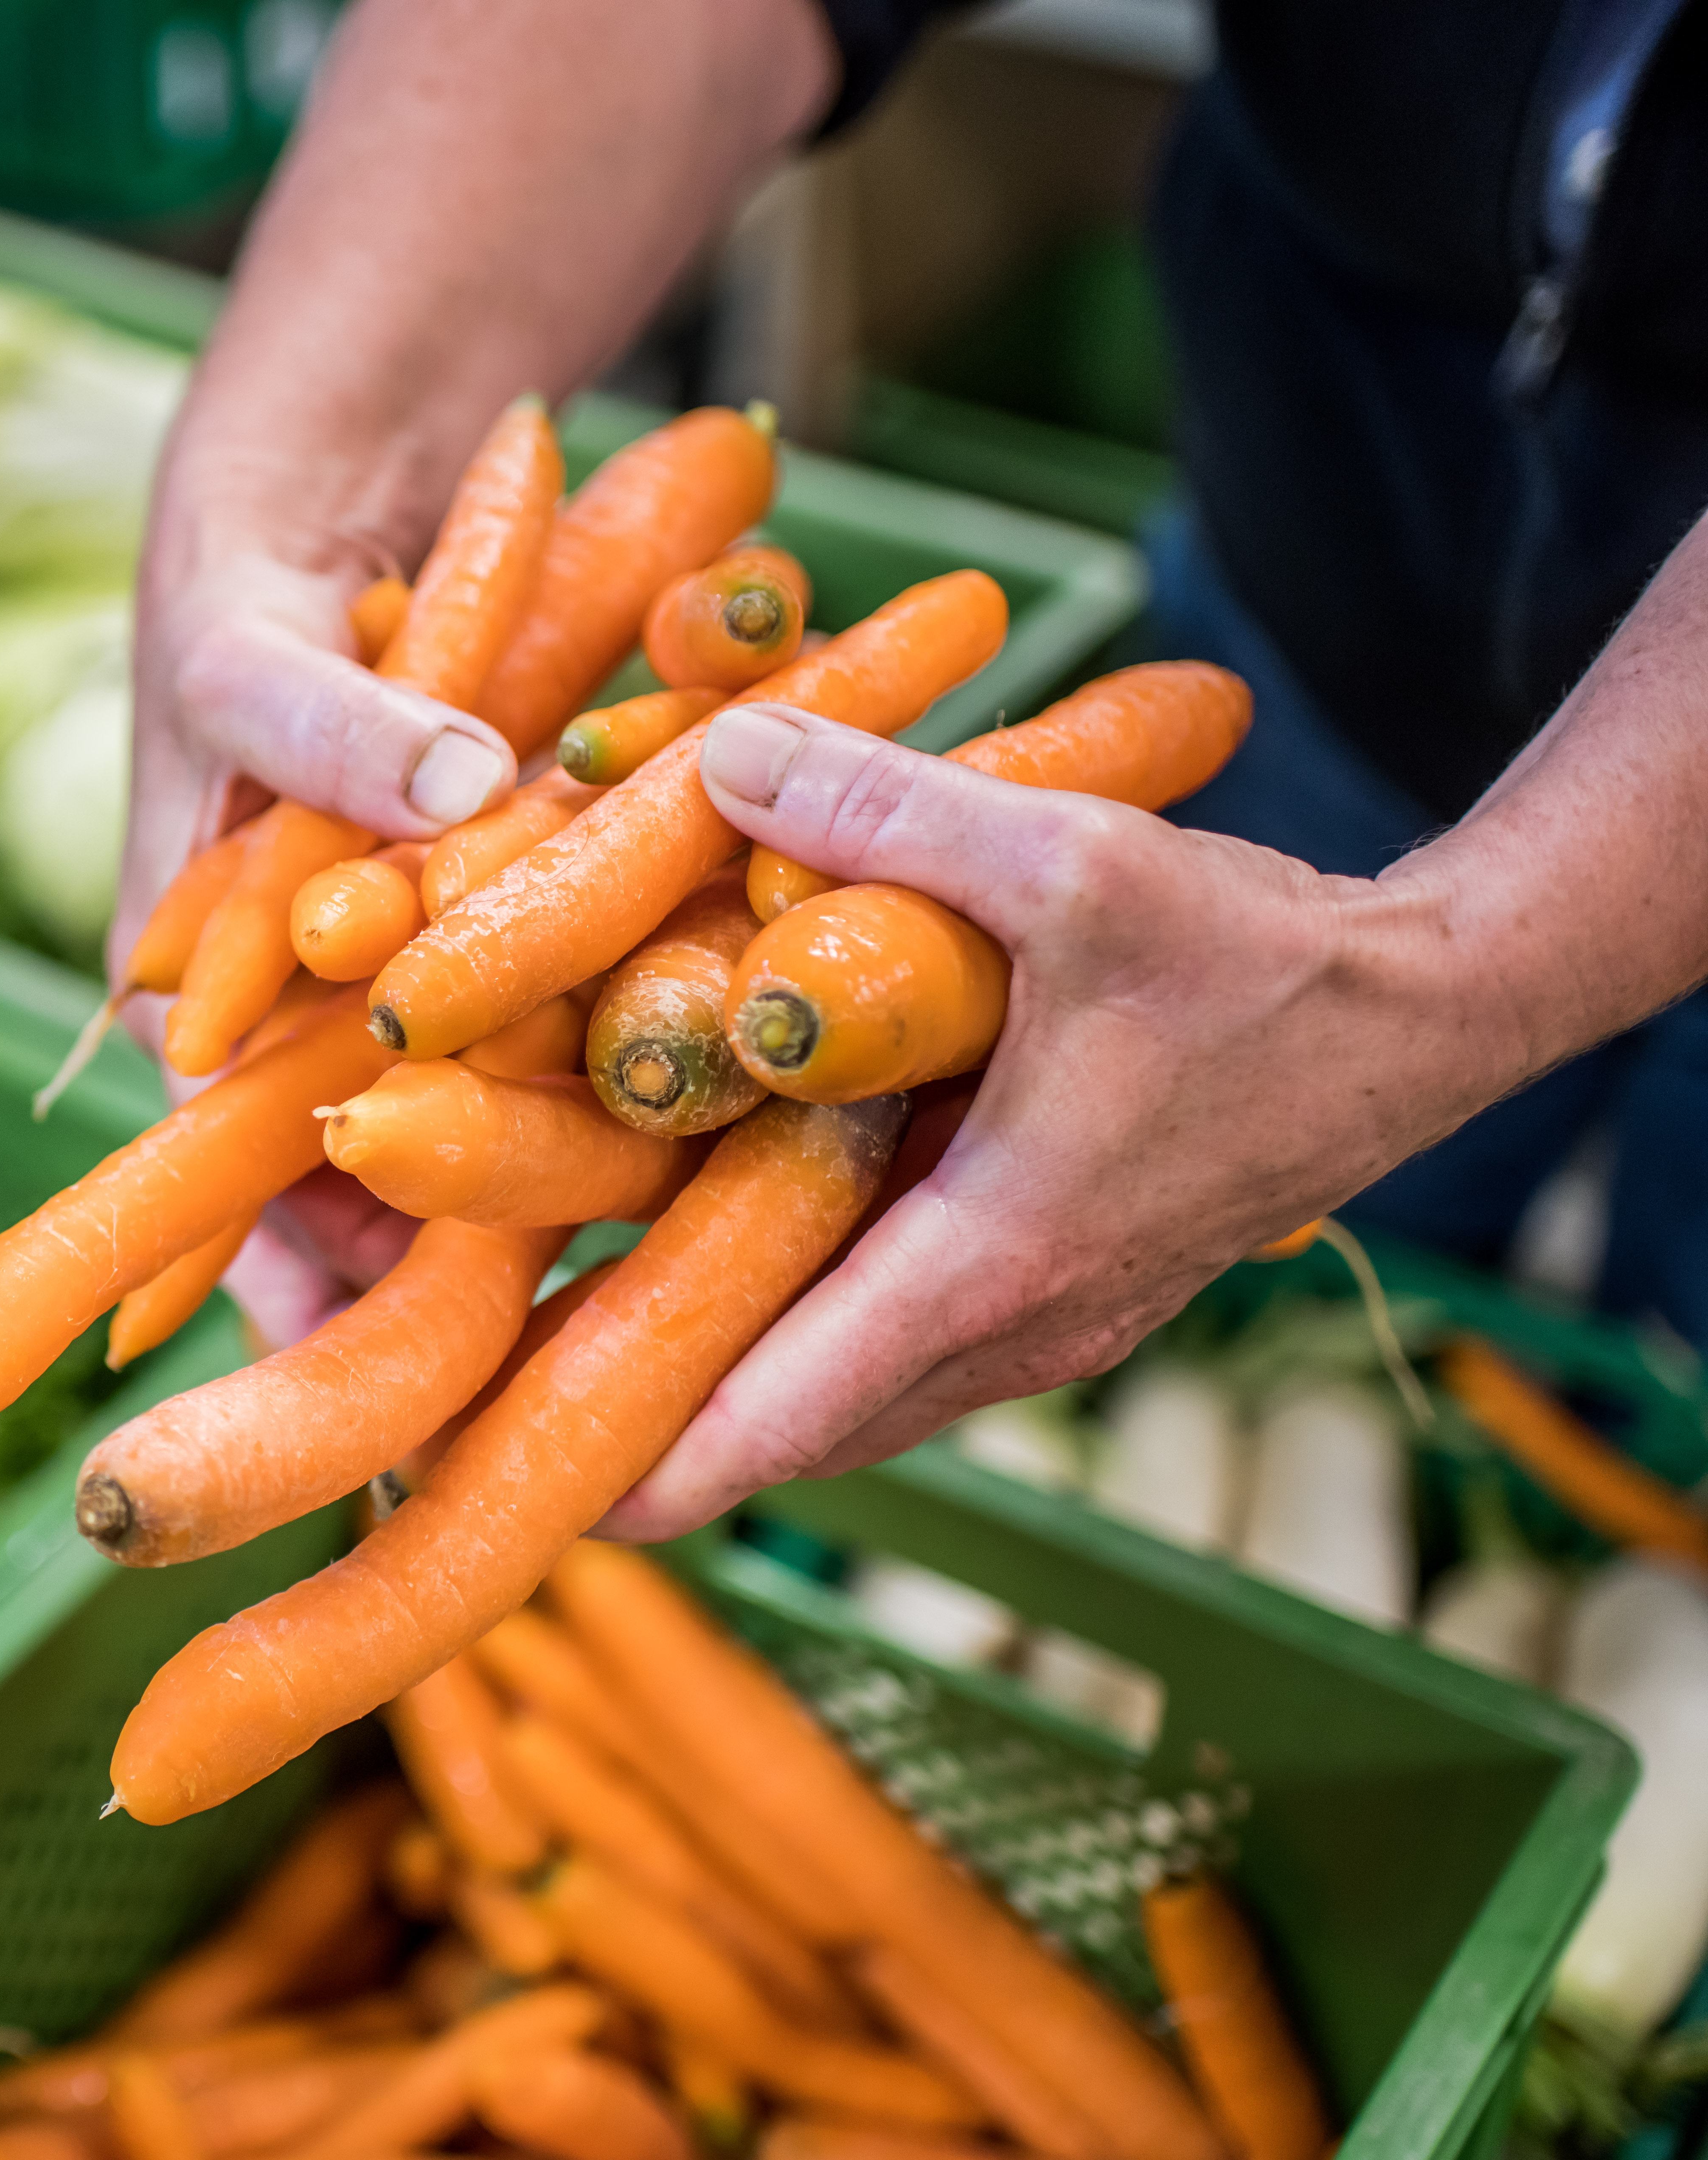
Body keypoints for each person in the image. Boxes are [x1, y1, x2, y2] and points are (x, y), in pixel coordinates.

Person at [120, 0, 1708, 1540]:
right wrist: (294, 492)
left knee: (1672, 1347)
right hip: (1329, 550)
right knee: (1305, 1231)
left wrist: (1485, 960)